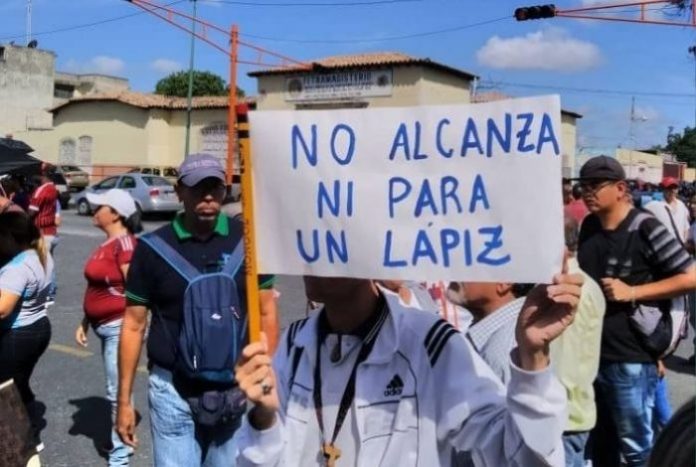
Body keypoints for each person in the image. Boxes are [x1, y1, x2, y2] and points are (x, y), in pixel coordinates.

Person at [234, 270, 583, 466]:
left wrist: (533, 360)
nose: (312, 255)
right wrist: (263, 418)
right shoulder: (293, 345)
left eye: (331, 234)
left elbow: (521, 458)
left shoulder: (429, 344)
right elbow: (259, 460)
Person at [116, 154, 277, 467]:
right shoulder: (151, 249)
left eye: (214, 187)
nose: (207, 195)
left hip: (234, 385)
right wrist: (124, 401)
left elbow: (267, 310)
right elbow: (133, 324)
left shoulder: (249, 243)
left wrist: (266, 381)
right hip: (171, 390)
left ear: (224, 191)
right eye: (197, 187)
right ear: (179, 191)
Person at [575, 156, 696, 466]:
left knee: (637, 447)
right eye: (583, 185)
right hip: (589, 354)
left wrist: (632, 292)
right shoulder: (588, 226)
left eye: (594, 185)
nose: (587, 192)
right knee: (600, 443)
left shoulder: (645, 227)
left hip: (630, 356)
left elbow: (691, 276)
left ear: (620, 188)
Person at [74, 189, 141, 466]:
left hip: (119, 327)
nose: (94, 210)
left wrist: (134, 329)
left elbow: (137, 292)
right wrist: (85, 321)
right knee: (118, 388)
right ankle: (122, 439)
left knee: (118, 391)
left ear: (115, 214)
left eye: (99, 206)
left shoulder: (125, 244)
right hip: (104, 325)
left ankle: (120, 456)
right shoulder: (108, 243)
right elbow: (96, 286)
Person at [550, 216, 606, 467]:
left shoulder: (560, 290)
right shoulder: (589, 285)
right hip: (577, 410)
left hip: (563, 417)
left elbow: (559, 361)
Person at [0, 211, 53, 452]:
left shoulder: (17, 267)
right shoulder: (41, 254)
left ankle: (20, 444)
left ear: (11, 237)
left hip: (18, 335)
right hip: (39, 327)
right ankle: (32, 434)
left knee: (5, 389)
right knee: (19, 383)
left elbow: (3, 309)